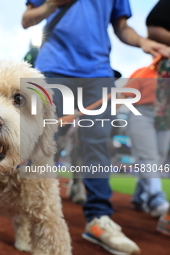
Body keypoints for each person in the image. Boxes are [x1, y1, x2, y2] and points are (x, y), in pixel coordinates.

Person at [22, 1, 170, 254]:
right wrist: (51, 6)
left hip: (98, 73)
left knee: (98, 143)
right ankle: (26, 217)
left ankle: (99, 218)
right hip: (52, 69)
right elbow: (27, 19)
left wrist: (142, 42)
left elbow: (122, 28)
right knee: (42, 145)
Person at [118, 58, 169, 218]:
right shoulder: (144, 72)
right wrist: (109, 119)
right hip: (141, 113)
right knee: (147, 157)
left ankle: (140, 197)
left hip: (165, 117)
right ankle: (156, 199)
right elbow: (123, 95)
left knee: (158, 158)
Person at [145, 0, 170, 236]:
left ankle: (143, 195)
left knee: (160, 152)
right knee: (152, 153)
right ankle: (154, 198)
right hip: (158, 93)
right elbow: (153, 26)